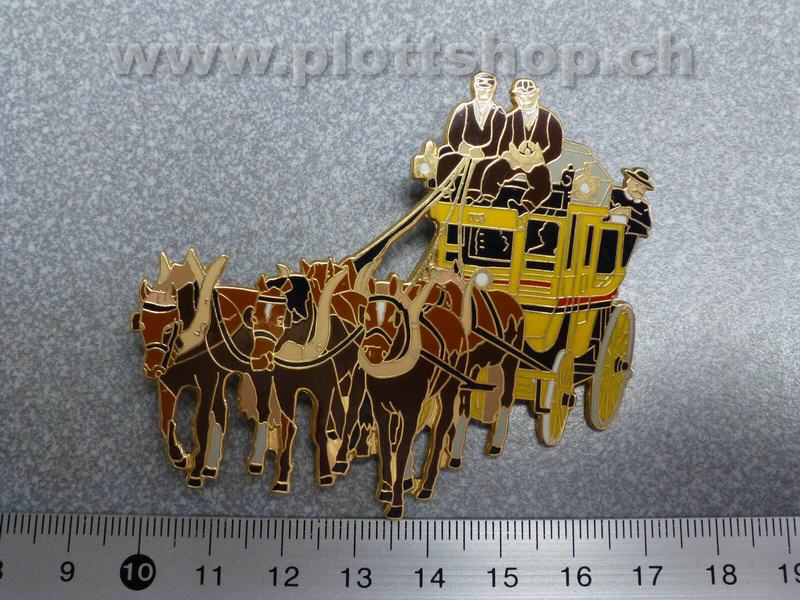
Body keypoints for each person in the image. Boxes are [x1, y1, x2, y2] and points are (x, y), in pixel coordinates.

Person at [479, 78, 564, 211]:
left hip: (536, 162)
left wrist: (540, 159)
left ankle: (524, 207)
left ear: (537, 95)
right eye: (522, 96)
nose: (526, 99)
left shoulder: (550, 120)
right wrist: (510, 156)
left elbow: (555, 149)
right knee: (492, 171)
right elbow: (502, 144)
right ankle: (486, 201)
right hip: (513, 160)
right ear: (516, 98)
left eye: (530, 95)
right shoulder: (510, 119)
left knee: (544, 185)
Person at [435, 72, 507, 193]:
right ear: (474, 87)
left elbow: (498, 142)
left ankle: (473, 195)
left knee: (482, 167)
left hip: (486, 156)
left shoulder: (499, 115)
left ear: (493, 88)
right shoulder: (463, 109)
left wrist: (481, 152)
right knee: (445, 159)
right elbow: (453, 135)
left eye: (487, 87)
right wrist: (463, 147)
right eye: (480, 86)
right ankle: (444, 192)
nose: (484, 90)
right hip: (463, 152)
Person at [609, 167, 654, 266]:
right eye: (637, 185)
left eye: (643, 188)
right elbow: (602, 214)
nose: (639, 190)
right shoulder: (614, 194)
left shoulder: (644, 206)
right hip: (606, 238)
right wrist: (614, 213)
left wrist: (630, 213)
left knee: (620, 264)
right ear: (628, 181)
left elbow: (646, 226)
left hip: (627, 243)